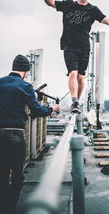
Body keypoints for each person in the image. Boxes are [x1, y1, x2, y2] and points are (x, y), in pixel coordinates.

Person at [36, 0, 109, 113]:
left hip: (84, 47)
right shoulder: (69, 5)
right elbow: (51, 3)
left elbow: (108, 21)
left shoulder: (93, 10)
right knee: (73, 73)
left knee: (81, 77)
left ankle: (76, 103)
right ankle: (74, 101)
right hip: (69, 45)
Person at [0, 54, 60, 214]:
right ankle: (10, 207)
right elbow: (37, 110)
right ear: (26, 71)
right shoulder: (25, 86)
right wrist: (52, 109)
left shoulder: (0, 82)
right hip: (16, 135)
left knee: (3, 173)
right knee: (18, 175)